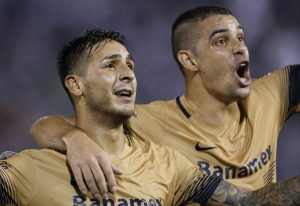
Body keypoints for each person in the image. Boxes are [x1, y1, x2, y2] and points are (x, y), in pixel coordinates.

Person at [4, 28, 300, 206]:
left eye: (130, 65)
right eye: (111, 66)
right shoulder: (29, 170)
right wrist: (72, 138)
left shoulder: (168, 165)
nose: (128, 74)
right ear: (75, 85)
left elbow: (247, 203)